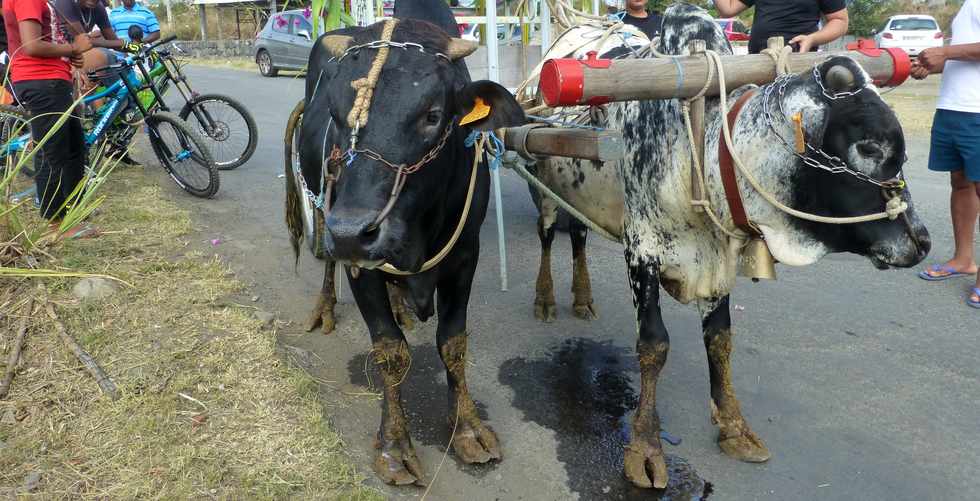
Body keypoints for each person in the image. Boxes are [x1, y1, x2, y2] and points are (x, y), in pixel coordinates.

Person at [3, 0, 97, 238]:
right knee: (52, 152)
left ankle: (73, 210)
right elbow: (32, 46)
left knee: (74, 148)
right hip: (41, 81)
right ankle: (56, 224)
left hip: (54, 78)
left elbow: (48, 40)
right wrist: (74, 48)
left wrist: (69, 55)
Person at [912, 0, 980, 309]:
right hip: (954, 107)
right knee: (961, 183)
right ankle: (964, 259)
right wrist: (933, 64)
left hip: (977, 111)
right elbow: (967, 52)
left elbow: (959, 50)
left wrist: (946, 52)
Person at [712, 0, 848, 54]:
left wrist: (812, 39)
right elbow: (728, 9)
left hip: (798, 63)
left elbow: (840, 21)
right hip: (758, 61)